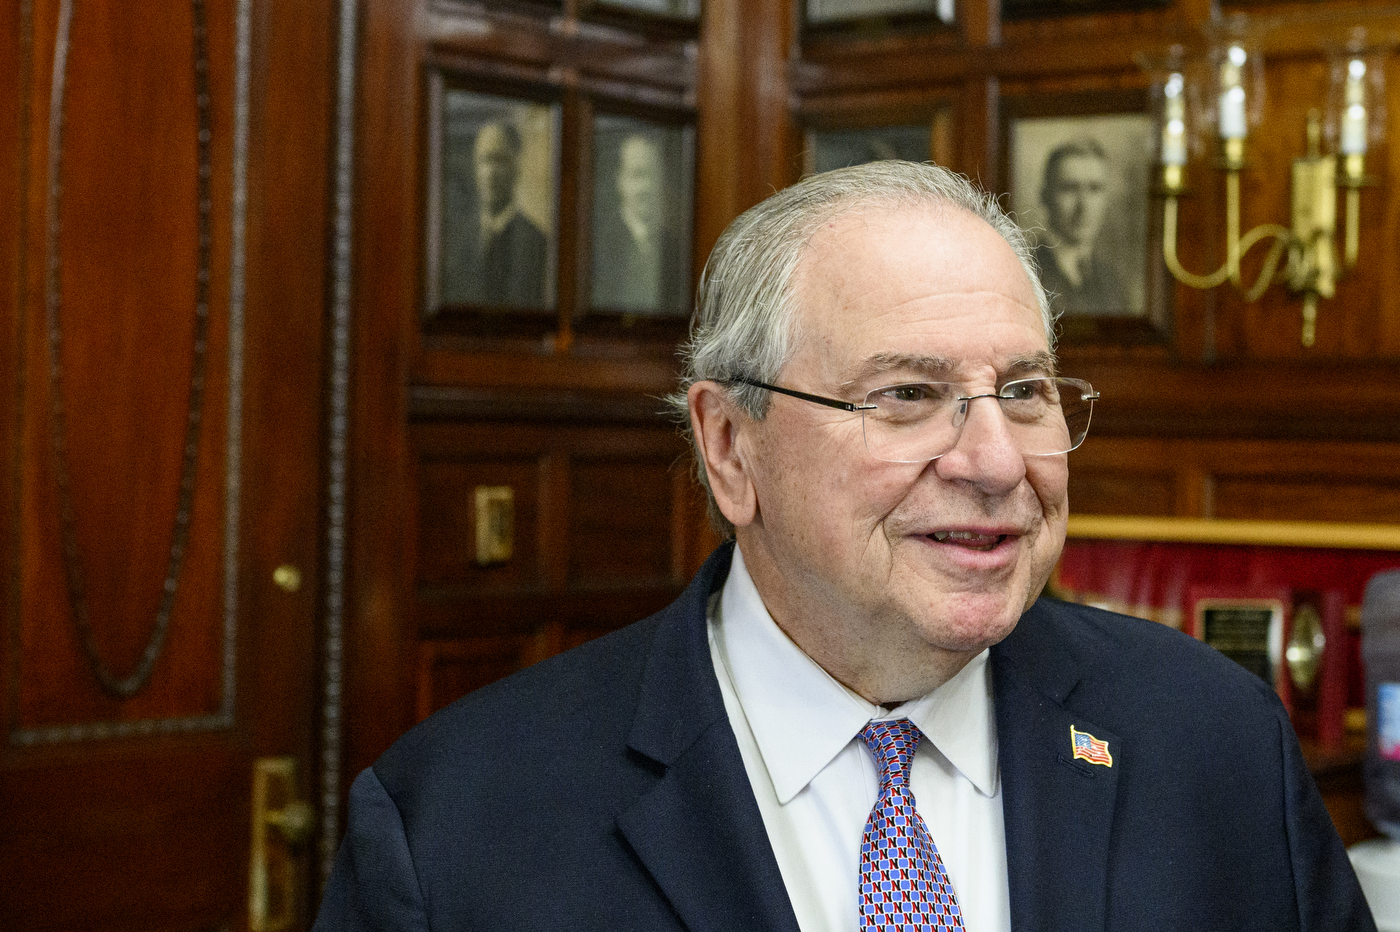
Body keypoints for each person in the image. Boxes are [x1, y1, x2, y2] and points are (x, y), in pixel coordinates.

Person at [316, 162, 1375, 931]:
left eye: (1024, 390)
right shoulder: (460, 824)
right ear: (729, 446)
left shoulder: (1210, 743)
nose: (996, 460)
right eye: (907, 395)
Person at [441, 119, 548, 308]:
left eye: (499, 160)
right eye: (484, 161)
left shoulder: (536, 242)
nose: (489, 172)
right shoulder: (454, 240)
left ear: (516, 167)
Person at [591, 132, 687, 314]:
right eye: (637, 175)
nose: (646, 187)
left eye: (653, 175)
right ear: (621, 180)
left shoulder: (674, 249)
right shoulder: (599, 243)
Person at [1034, 138, 1130, 317]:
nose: (1084, 207)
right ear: (1045, 196)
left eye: (1094, 189)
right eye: (1070, 189)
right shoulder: (1027, 270)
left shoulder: (1112, 281)